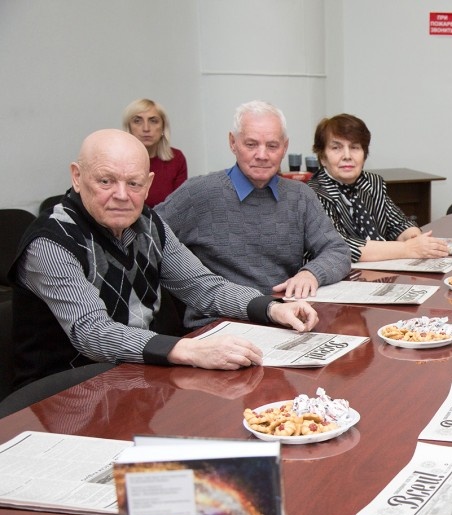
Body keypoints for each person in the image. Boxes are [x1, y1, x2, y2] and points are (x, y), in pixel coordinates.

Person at [9, 129, 319, 389]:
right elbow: (94, 333)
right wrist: (190, 349)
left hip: (137, 376)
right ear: (77, 177)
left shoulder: (148, 224)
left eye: (134, 183)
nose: (121, 195)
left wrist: (271, 308)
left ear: (149, 183)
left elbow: (203, 287)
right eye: (106, 181)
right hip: (63, 396)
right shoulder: (50, 243)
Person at [159, 101, 350, 326]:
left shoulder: (300, 195)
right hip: (220, 323)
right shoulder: (199, 194)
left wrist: (312, 273)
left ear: (285, 147)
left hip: (286, 315)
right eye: (251, 144)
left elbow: (337, 250)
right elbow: (148, 237)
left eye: (272, 146)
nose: (262, 155)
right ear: (233, 142)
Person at [307, 113, 449, 262]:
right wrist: (408, 249)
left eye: (355, 147)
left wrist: (416, 238)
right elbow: (341, 247)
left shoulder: (372, 183)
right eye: (336, 148)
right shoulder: (313, 194)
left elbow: (399, 223)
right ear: (323, 157)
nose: (347, 156)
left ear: (364, 154)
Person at [122, 98, 187, 207]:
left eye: (153, 121)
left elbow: (180, 207)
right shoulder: (117, 159)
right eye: (137, 121)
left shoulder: (176, 159)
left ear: (163, 127)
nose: (146, 128)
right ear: (129, 127)